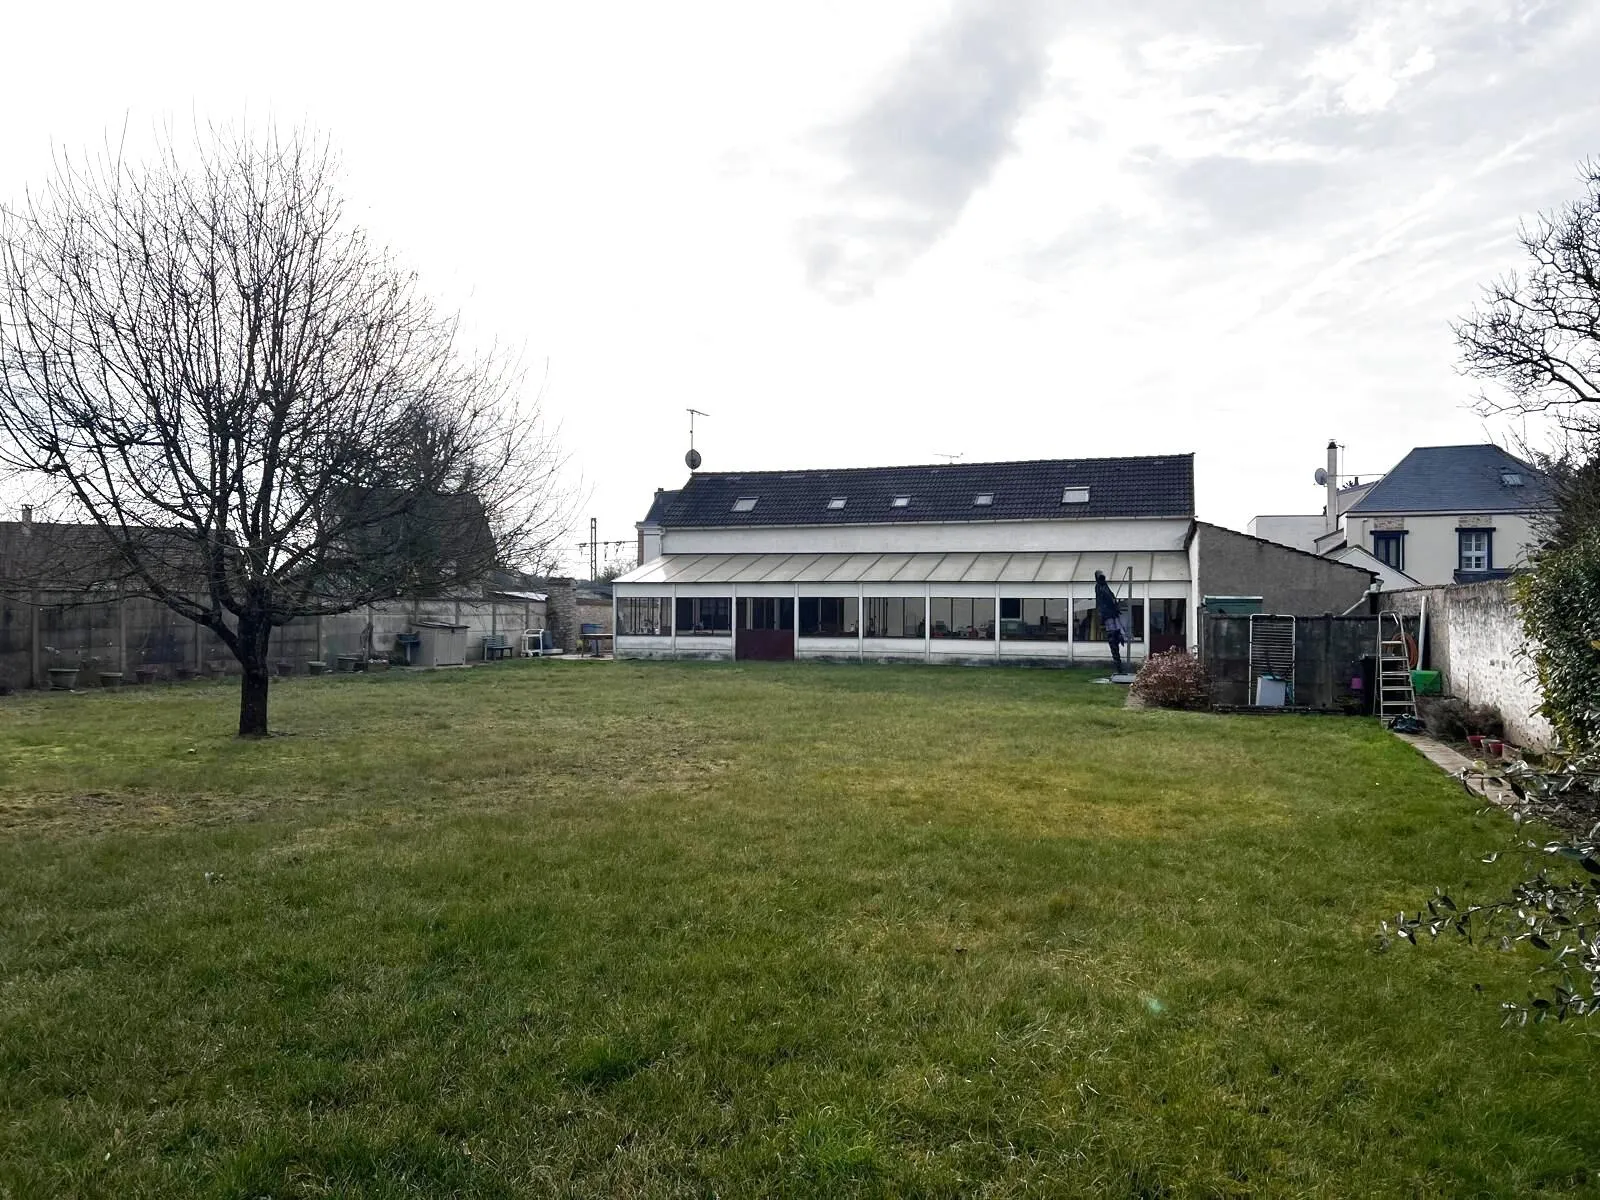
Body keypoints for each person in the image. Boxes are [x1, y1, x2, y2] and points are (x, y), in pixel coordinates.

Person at [1093, 570, 1127, 675]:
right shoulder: (1099, 587)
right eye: (1101, 577)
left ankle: (1119, 667)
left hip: (1112, 615)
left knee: (1116, 636)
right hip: (1108, 616)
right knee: (1113, 639)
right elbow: (1105, 599)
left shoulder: (1104, 586)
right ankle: (1119, 668)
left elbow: (1109, 597)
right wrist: (1112, 601)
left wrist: (1114, 601)